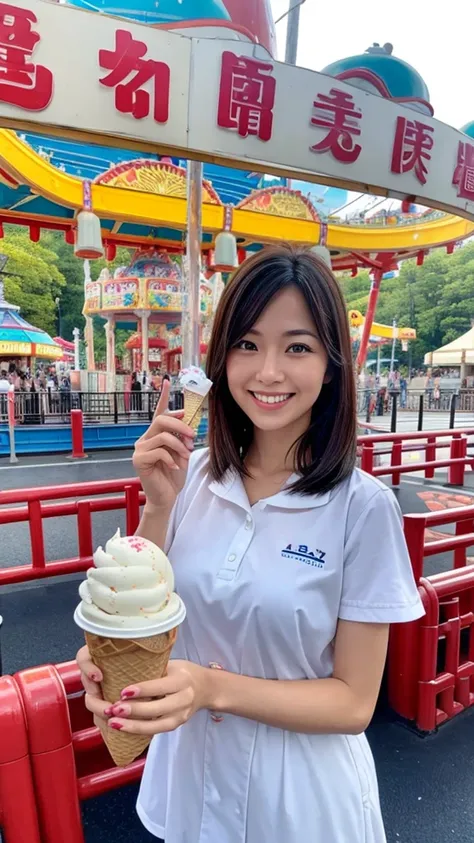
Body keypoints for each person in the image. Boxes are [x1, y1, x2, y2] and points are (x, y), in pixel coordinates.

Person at [77, 246, 424, 843]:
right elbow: (136, 616)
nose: (268, 371)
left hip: (300, 801)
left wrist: (212, 687)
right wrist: (158, 505)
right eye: (246, 344)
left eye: (297, 346)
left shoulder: (361, 507)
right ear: (222, 359)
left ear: (331, 364)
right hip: (187, 781)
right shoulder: (193, 479)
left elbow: (353, 703)